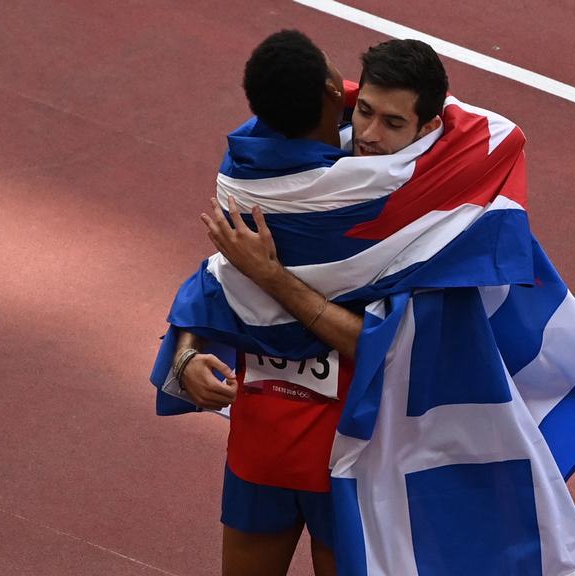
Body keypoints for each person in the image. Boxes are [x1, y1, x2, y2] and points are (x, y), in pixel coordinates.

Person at [159, 33, 449, 576]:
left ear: (427, 127)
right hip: (265, 434)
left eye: (392, 123)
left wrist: (270, 276)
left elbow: (385, 344)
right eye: (364, 111)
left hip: (355, 453)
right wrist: (186, 355)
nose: (368, 133)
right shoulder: (271, 179)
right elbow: (219, 277)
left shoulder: (426, 220)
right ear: (339, 96)